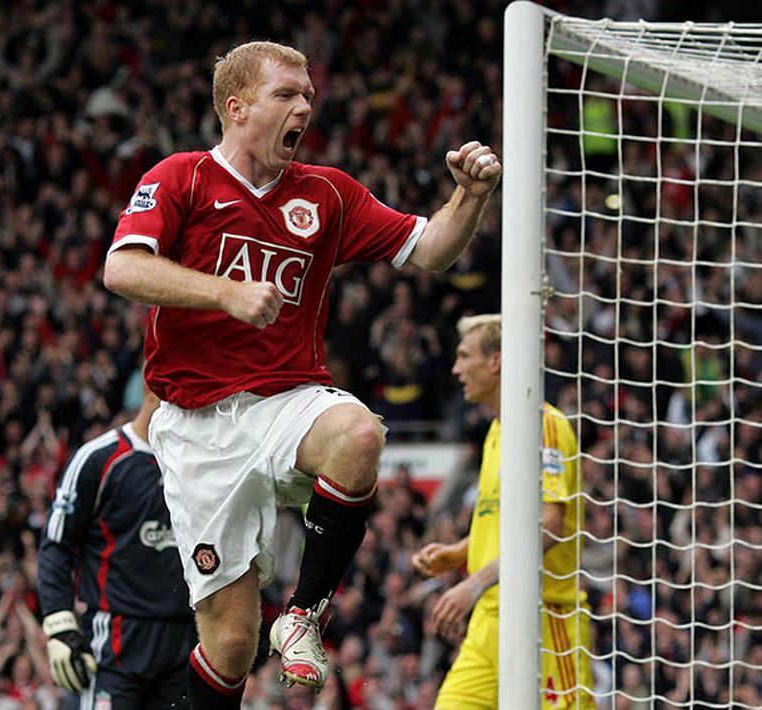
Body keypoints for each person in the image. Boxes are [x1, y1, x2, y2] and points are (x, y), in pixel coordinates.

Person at [103, 40, 502, 709]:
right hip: (197, 426)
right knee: (231, 645)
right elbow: (121, 269)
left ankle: (302, 615)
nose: (304, 106)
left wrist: (468, 198)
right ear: (236, 108)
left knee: (357, 434)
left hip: (285, 398)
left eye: (308, 95)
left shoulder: (326, 194)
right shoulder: (182, 178)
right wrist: (224, 292)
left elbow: (430, 249)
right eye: (285, 94)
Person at [411, 314, 593, 709]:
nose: (456, 369)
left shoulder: (544, 425)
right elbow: (505, 525)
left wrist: (472, 582)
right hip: (490, 620)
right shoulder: (495, 431)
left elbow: (548, 527)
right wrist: (459, 552)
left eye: (464, 356)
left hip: (546, 619)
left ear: (495, 361)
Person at [37, 388, 193, 709]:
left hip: (186, 636)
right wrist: (60, 624)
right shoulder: (99, 459)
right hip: (115, 637)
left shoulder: (202, 464)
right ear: (154, 388)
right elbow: (56, 543)